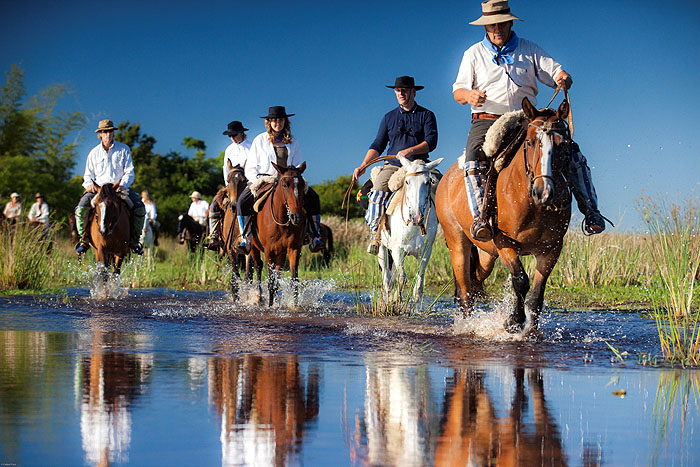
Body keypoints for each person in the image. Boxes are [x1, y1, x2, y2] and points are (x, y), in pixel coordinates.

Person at [452, 0, 606, 241]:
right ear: (486, 28)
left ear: (510, 23)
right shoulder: (473, 54)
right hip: (487, 119)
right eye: (492, 26)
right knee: (474, 156)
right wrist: (469, 95)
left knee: (570, 151)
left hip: (527, 118)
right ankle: (480, 218)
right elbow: (458, 92)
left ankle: (591, 212)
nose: (498, 30)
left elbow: (555, 72)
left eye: (502, 24)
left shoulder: (529, 49)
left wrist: (563, 77)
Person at [352, 75, 438, 254]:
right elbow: (378, 144)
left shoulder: (427, 115)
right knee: (376, 192)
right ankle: (375, 235)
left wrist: (410, 151)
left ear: (414, 92)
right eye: (398, 90)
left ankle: (451, 234)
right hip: (392, 166)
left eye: (405, 90)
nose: (401, 93)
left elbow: (431, 141)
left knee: (443, 189)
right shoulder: (388, 117)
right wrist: (363, 165)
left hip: (418, 165)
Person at [236, 106, 323, 253]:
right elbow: (250, 167)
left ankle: (315, 236)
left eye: (281, 120)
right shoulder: (259, 140)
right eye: (274, 120)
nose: (278, 123)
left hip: (288, 181)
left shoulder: (292, 140)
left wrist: (291, 174)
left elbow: (297, 163)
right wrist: (260, 180)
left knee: (314, 198)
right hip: (265, 180)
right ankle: (245, 238)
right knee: (241, 201)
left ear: (285, 121)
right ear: (269, 122)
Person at [75, 119, 146, 255]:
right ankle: (83, 239)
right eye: (104, 132)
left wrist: (123, 185)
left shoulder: (124, 149)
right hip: (99, 189)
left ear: (113, 133)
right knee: (81, 208)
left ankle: (135, 240)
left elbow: (129, 171)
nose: (107, 134)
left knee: (140, 209)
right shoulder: (93, 153)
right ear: (100, 134)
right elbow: (88, 175)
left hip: (118, 188)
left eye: (110, 131)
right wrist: (89, 185)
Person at [206, 120, 252, 250]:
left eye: (234, 135)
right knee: (214, 204)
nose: (232, 138)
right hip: (231, 185)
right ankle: (214, 235)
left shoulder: (251, 147)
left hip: (247, 183)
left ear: (242, 133)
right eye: (230, 136)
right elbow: (225, 169)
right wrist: (228, 186)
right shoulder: (229, 149)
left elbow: (254, 166)